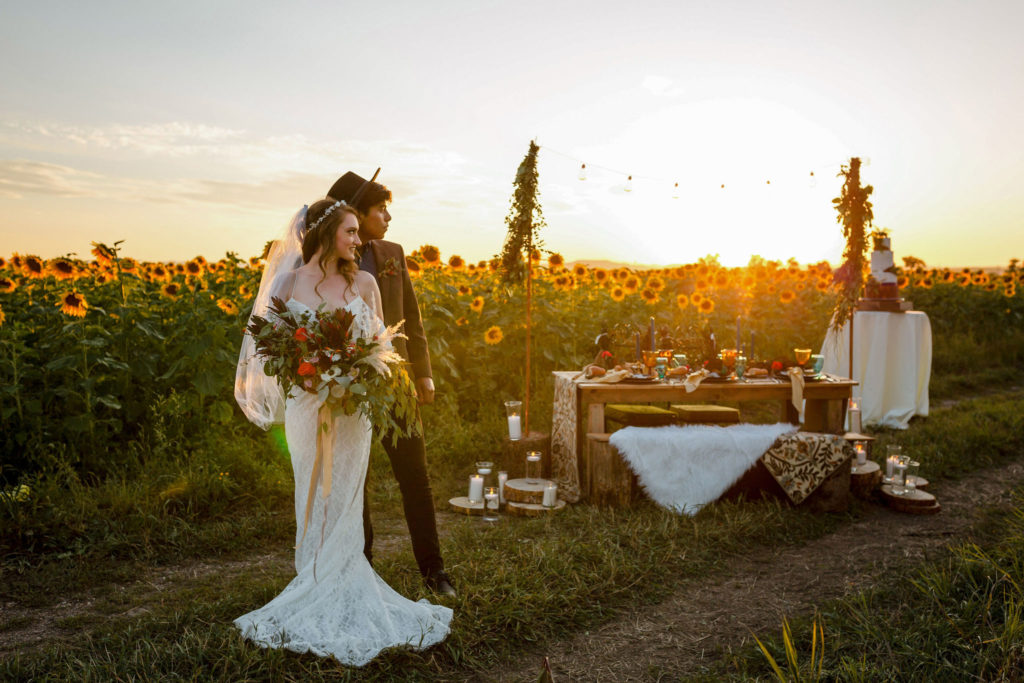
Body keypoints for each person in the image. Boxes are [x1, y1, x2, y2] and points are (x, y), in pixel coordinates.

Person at [233, 198, 452, 665]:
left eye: (358, 232)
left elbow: (382, 347)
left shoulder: (366, 282)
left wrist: (357, 377)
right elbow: (269, 354)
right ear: (327, 232)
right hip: (306, 409)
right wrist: (308, 375)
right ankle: (312, 579)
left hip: (355, 413)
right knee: (313, 495)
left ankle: (349, 577)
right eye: (351, 232)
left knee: (349, 495)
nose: (359, 241)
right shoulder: (288, 282)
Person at [327, 170, 455, 597]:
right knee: (355, 480)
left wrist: (424, 372)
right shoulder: (326, 263)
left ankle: (435, 571)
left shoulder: (392, 253)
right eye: (380, 208)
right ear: (354, 215)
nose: (388, 216)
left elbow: (412, 318)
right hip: (348, 390)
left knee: (415, 476)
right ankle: (363, 570)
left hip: (397, 384)